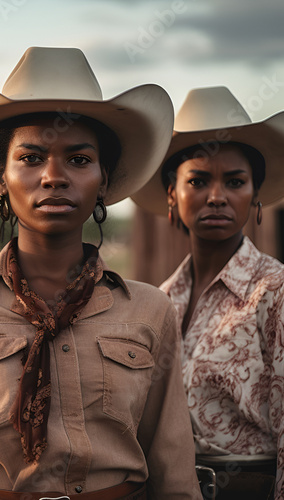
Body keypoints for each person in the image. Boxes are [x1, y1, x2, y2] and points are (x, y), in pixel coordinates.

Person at [0, 47, 202, 500]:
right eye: (31, 158)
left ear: (104, 183)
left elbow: (172, 466)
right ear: (1, 179)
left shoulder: (150, 311)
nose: (53, 176)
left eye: (78, 160)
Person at [132, 86, 284, 499]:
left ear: (255, 195)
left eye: (235, 181)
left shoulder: (275, 290)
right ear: (171, 194)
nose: (216, 197)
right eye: (198, 180)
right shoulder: (160, 299)